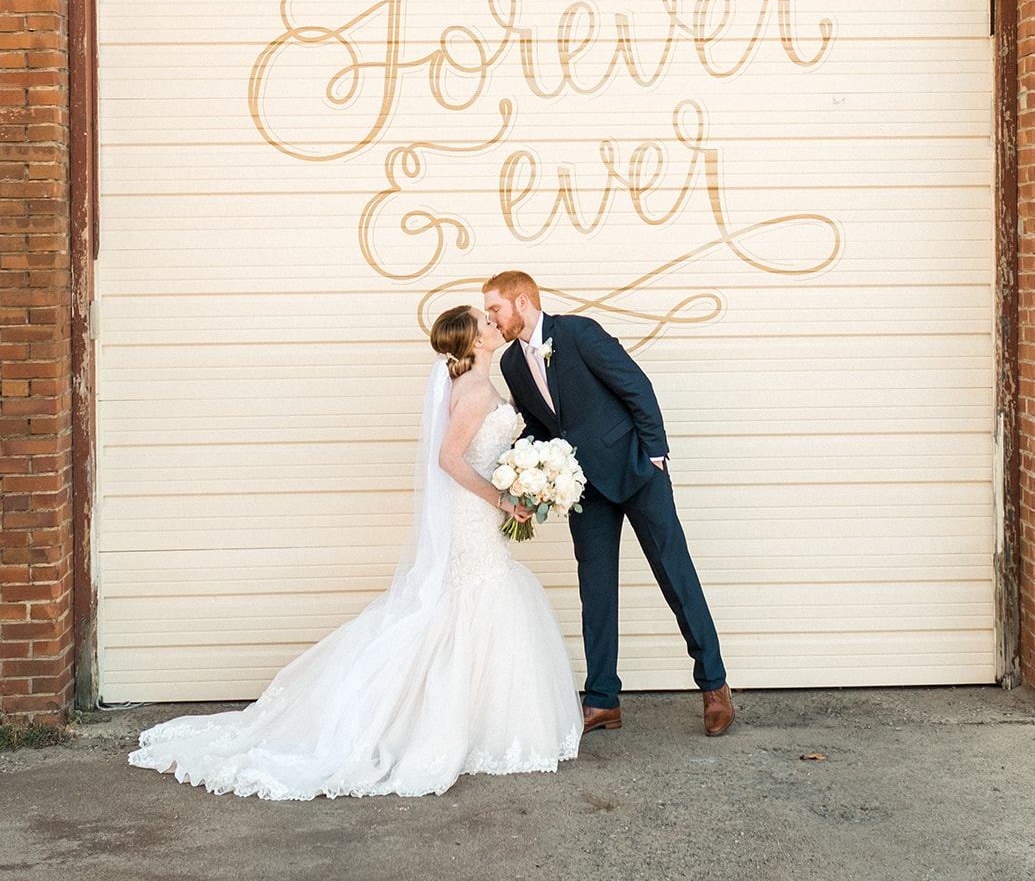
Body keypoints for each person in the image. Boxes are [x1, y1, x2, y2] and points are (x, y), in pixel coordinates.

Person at [129, 306, 582, 798]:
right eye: (485, 321)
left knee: (471, 603)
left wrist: (523, 481)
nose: (495, 323)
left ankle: (472, 721)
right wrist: (502, 498)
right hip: (472, 516)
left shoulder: (482, 381)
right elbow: (449, 459)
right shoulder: (473, 391)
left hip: (479, 516)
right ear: (472, 341)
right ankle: (428, 724)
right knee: (467, 601)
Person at [482, 269, 733, 738]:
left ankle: (714, 686)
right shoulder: (511, 365)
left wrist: (655, 455)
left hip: (638, 473)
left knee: (675, 575)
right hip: (583, 489)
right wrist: (530, 466)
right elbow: (542, 423)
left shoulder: (579, 334)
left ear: (521, 302)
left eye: (495, 308)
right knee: (595, 590)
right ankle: (602, 700)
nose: (492, 319)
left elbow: (637, 388)